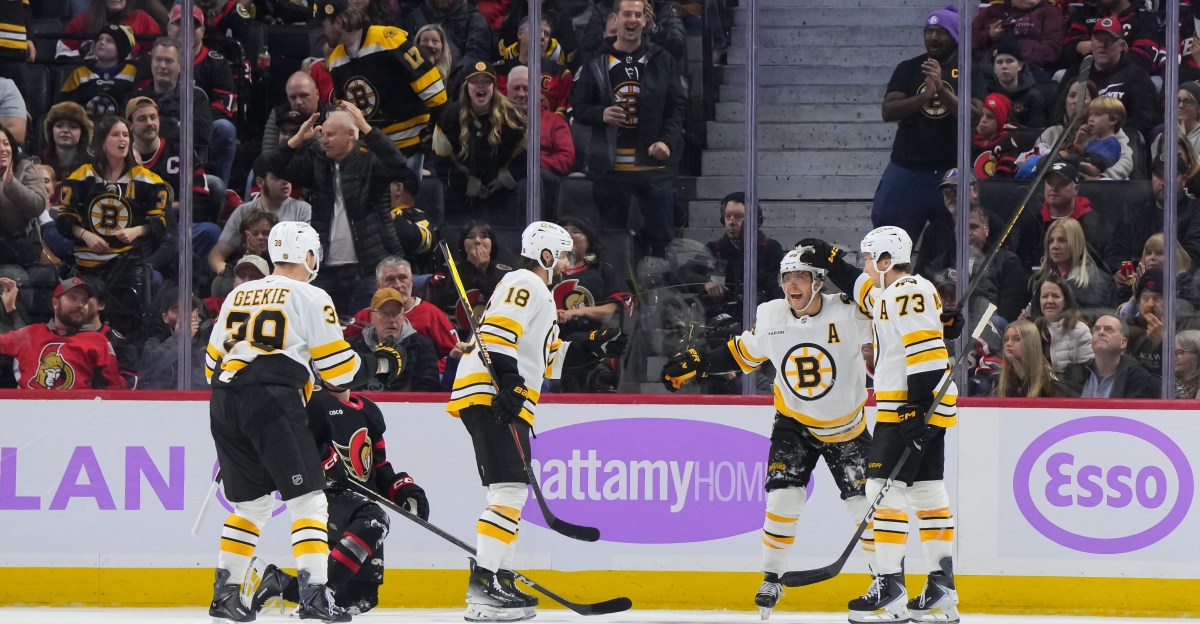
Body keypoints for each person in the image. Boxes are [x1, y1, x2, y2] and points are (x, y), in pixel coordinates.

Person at [204, 221, 404, 623]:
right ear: (309, 255)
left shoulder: (238, 293)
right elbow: (338, 370)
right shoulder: (311, 295)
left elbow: (211, 365)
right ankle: (315, 596)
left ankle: (225, 594)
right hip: (273, 398)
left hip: (223, 400)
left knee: (251, 505)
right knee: (309, 502)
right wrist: (378, 362)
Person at [660, 246, 875, 619]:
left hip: (847, 427)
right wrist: (699, 361)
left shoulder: (849, 309)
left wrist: (934, 324)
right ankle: (772, 577)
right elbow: (741, 353)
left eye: (801, 276)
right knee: (781, 500)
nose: (792, 284)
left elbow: (889, 312)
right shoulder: (771, 314)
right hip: (795, 422)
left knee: (865, 507)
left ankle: (884, 579)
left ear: (818, 281)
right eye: (786, 277)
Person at [445, 221, 619, 622]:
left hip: (500, 394)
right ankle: (485, 583)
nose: (563, 265)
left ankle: (498, 577)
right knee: (507, 490)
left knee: (510, 491)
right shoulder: (526, 281)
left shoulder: (534, 293)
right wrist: (509, 384)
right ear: (545, 254)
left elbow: (550, 360)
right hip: (493, 394)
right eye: (560, 256)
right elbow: (498, 334)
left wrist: (595, 345)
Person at [800, 228, 960, 624]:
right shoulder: (894, 291)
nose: (867, 266)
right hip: (921, 404)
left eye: (870, 259)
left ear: (887, 260)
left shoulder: (905, 291)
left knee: (880, 491)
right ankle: (942, 589)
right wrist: (831, 258)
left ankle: (890, 589)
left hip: (907, 406)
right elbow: (862, 289)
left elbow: (924, 354)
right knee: (926, 491)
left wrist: (912, 411)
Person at [250, 388, 430, 616]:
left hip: (358, 503)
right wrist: (318, 456)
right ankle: (316, 599)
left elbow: (378, 467)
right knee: (374, 519)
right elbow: (288, 440)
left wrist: (401, 488)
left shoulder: (369, 411)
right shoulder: (311, 403)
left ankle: (282, 584)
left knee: (361, 596)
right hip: (322, 497)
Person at [267, 102, 415, 314]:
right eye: (323, 134)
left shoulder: (370, 163)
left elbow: (398, 163)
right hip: (325, 268)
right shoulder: (318, 164)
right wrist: (298, 139)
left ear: (350, 135)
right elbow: (274, 166)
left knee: (367, 328)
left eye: (331, 135)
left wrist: (367, 128)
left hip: (367, 268)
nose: (324, 141)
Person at [571, 0, 687, 257]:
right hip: (610, 170)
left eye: (638, 15)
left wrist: (666, 141)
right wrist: (600, 113)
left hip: (653, 170)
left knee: (662, 241)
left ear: (645, 21)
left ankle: (660, 293)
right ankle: (617, 292)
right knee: (611, 242)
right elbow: (578, 107)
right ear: (615, 19)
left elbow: (676, 106)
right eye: (627, 14)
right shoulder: (595, 61)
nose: (632, 20)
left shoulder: (662, 59)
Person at [56, 114, 168, 337]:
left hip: (127, 262)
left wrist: (137, 230)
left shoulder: (149, 180)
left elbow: (160, 223)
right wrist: (85, 234)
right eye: (115, 134)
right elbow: (63, 219)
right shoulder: (81, 176)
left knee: (129, 325)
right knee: (83, 325)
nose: (122, 139)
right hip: (87, 264)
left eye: (126, 135)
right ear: (102, 142)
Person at [871, 5, 975, 241]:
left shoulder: (971, 69)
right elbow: (888, 110)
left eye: (941, 31)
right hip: (908, 169)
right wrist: (924, 97)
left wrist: (941, 89)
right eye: (929, 31)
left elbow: (974, 115)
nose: (933, 37)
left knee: (958, 243)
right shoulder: (908, 68)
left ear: (955, 35)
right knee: (889, 238)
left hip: (952, 169)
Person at [322, 0, 449, 156]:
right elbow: (345, 109)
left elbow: (433, 88)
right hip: (369, 150)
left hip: (408, 145)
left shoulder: (387, 40)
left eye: (323, 26)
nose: (321, 33)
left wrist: (436, 128)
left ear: (338, 23)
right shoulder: (335, 60)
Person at [432, 62, 527, 227]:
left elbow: (528, 156)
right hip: (462, 196)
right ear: (466, 86)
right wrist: (466, 184)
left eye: (486, 82)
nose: (480, 86)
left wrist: (503, 179)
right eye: (475, 82)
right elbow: (440, 159)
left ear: (494, 87)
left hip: (503, 195)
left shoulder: (512, 117)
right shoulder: (450, 116)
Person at [0, 277, 125, 389]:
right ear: (55, 303)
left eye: (85, 301)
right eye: (73, 298)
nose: (80, 305)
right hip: (27, 410)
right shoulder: (31, 333)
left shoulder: (98, 341)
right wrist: (10, 308)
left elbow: (111, 391)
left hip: (78, 411)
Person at [166, 4, 238, 184]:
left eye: (194, 25)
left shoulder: (216, 62)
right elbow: (141, 94)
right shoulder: (154, 58)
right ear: (168, 28)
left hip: (202, 127)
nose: (187, 29)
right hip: (161, 123)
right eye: (180, 23)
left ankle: (221, 189)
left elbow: (225, 104)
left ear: (203, 31)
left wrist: (193, 121)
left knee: (225, 128)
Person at [210, 155, 312, 277]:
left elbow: (307, 254)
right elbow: (217, 254)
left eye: (288, 177)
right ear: (260, 182)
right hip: (249, 276)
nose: (285, 182)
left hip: (287, 277)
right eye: (277, 178)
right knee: (220, 284)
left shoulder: (303, 209)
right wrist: (226, 272)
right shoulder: (243, 211)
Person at [1060, 16, 1158, 138]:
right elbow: (1057, 112)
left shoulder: (1136, 75)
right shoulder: (1076, 72)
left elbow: (1144, 118)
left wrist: (1108, 132)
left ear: (1122, 45)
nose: (1103, 44)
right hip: (1074, 136)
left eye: (1110, 40)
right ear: (1091, 42)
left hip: (1118, 139)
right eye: (1098, 39)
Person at [346, 257, 460, 358]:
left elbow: (454, 355)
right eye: (390, 279)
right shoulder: (364, 316)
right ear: (378, 286)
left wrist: (425, 367)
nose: (398, 285)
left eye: (403, 278)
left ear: (411, 281)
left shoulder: (432, 314)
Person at [1106, 153, 1200, 274]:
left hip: (1177, 284)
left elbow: (1193, 256)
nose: (1164, 182)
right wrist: (1119, 270)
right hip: (1133, 285)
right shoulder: (1134, 212)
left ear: (1184, 180)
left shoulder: (1195, 212)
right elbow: (1114, 251)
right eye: (1158, 175)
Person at [701, 192, 785, 323]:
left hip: (761, 319)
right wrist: (704, 283)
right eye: (728, 216)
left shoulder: (770, 248)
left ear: (755, 221)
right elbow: (685, 273)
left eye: (739, 217)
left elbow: (779, 289)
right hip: (721, 319)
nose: (732, 222)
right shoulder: (714, 249)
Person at [129, 37, 213, 162]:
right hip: (142, 166)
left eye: (168, 61)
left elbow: (202, 136)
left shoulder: (195, 98)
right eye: (158, 60)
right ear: (151, 63)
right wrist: (174, 126)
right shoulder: (137, 98)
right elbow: (127, 133)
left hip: (184, 169)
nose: (162, 66)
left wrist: (151, 129)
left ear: (180, 66)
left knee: (215, 183)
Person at [506, 65, 574, 208]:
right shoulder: (497, 120)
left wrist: (531, 162)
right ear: (506, 91)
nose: (521, 94)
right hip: (505, 180)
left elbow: (566, 158)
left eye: (526, 88)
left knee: (535, 180)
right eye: (516, 88)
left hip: (541, 181)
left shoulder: (555, 122)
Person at [347, 287, 440, 391]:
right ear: (372, 318)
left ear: (403, 316)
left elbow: (428, 389)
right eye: (385, 314)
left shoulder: (422, 346)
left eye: (396, 313)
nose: (391, 320)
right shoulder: (352, 348)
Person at [1063, 314, 1160, 398]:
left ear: (1123, 342)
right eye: (1096, 329)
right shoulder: (1074, 373)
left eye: (1108, 330)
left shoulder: (1138, 378)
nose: (1101, 332)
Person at [1032, 216, 1115, 313]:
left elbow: (1092, 321)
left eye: (1062, 240)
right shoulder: (1044, 279)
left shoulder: (1093, 282)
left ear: (1077, 244)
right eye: (1051, 241)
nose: (1054, 246)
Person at [1063, 0, 1165, 75]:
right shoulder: (1085, 12)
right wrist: (1078, 46)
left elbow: (1144, 57)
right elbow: (1068, 50)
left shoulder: (1144, 17)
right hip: (1088, 74)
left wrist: (1106, 57)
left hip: (1127, 78)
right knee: (1061, 74)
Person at [58, 24, 138, 119]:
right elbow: (64, 106)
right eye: (100, 39)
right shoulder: (80, 73)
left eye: (109, 41)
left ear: (121, 49)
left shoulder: (132, 72)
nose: (102, 42)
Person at [0, 126, 48, 280]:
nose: (3, 149)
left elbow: (38, 205)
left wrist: (11, 184)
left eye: (6, 144)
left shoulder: (24, 166)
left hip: (14, 251)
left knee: (13, 278)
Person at [970, 0, 1062, 73]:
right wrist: (989, 35)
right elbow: (967, 43)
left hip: (1031, 73)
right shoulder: (992, 11)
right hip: (987, 71)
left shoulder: (1050, 12)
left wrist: (1017, 63)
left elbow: (1051, 50)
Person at [1027, 274, 1094, 374]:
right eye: (1044, 296)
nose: (1049, 301)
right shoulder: (1030, 329)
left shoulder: (1081, 330)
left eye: (1055, 296)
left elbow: (1087, 374)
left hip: (1070, 388)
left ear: (1066, 301)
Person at [57, 0, 161, 60]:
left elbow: (158, 56)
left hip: (132, 87)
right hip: (90, 84)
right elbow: (63, 57)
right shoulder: (82, 21)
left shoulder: (142, 20)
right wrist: (85, 62)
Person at [994, 319, 1073, 397]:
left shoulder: (1047, 382)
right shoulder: (1001, 379)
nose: (1009, 344)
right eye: (1006, 339)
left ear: (1030, 343)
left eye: (1017, 339)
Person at [402, 0, 493, 68]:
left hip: (461, 85)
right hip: (423, 82)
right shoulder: (415, 18)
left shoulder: (474, 20)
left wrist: (453, 78)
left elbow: (476, 56)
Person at [210, 210, 279, 298]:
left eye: (266, 233)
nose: (261, 237)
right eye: (255, 233)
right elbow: (227, 292)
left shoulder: (280, 265)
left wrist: (257, 258)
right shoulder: (232, 266)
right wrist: (253, 257)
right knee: (218, 281)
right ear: (245, 237)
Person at [981, 39, 1047, 128]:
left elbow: (1038, 131)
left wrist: (1017, 131)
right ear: (994, 69)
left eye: (1009, 61)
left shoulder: (1033, 95)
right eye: (999, 62)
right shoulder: (985, 92)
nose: (1004, 66)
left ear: (1020, 65)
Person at [262, 72, 329, 155]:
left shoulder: (331, 115)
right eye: (293, 97)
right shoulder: (278, 114)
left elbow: (337, 160)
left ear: (317, 94)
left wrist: (314, 138)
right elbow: (267, 159)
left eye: (304, 95)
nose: (298, 102)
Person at [1064, 96, 1125, 180]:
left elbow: (1094, 170)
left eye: (1097, 115)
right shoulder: (1092, 142)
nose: (1090, 119)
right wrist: (1078, 141)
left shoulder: (1111, 144)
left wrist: (1067, 161)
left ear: (1113, 120)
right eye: (1090, 115)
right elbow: (1075, 156)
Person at [41, 103, 94, 187]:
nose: (65, 130)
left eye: (73, 127)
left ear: (83, 134)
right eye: (59, 126)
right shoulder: (39, 161)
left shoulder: (92, 166)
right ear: (51, 131)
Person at [972, 92, 1020, 178]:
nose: (983, 120)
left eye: (990, 117)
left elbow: (1005, 177)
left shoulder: (1007, 142)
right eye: (981, 115)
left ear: (1000, 121)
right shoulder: (970, 139)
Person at [1173, 329, 1200, 398]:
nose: (1174, 358)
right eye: (1172, 352)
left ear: (1196, 354)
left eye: (1179, 352)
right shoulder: (1167, 383)